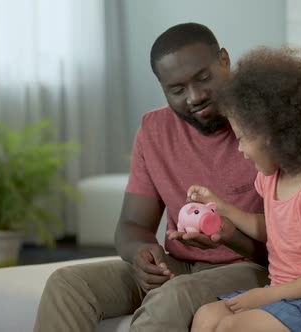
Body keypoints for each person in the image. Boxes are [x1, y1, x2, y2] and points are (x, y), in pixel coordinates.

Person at [33, 23, 270, 332]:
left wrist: (229, 236)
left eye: (204, 78)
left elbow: (291, 244)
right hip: (181, 266)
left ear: (224, 60)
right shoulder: (154, 129)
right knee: (67, 285)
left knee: (172, 296)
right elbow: (132, 226)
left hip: (253, 269)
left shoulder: (268, 125)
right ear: (162, 87)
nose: (195, 96)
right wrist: (141, 254)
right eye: (177, 90)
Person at [189, 47, 301, 332]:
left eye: (243, 138)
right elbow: (274, 230)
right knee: (206, 317)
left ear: (277, 134)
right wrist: (222, 207)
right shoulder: (270, 178)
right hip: (284, 294)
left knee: (232, 327)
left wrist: (269, 295)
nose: (241, 149)